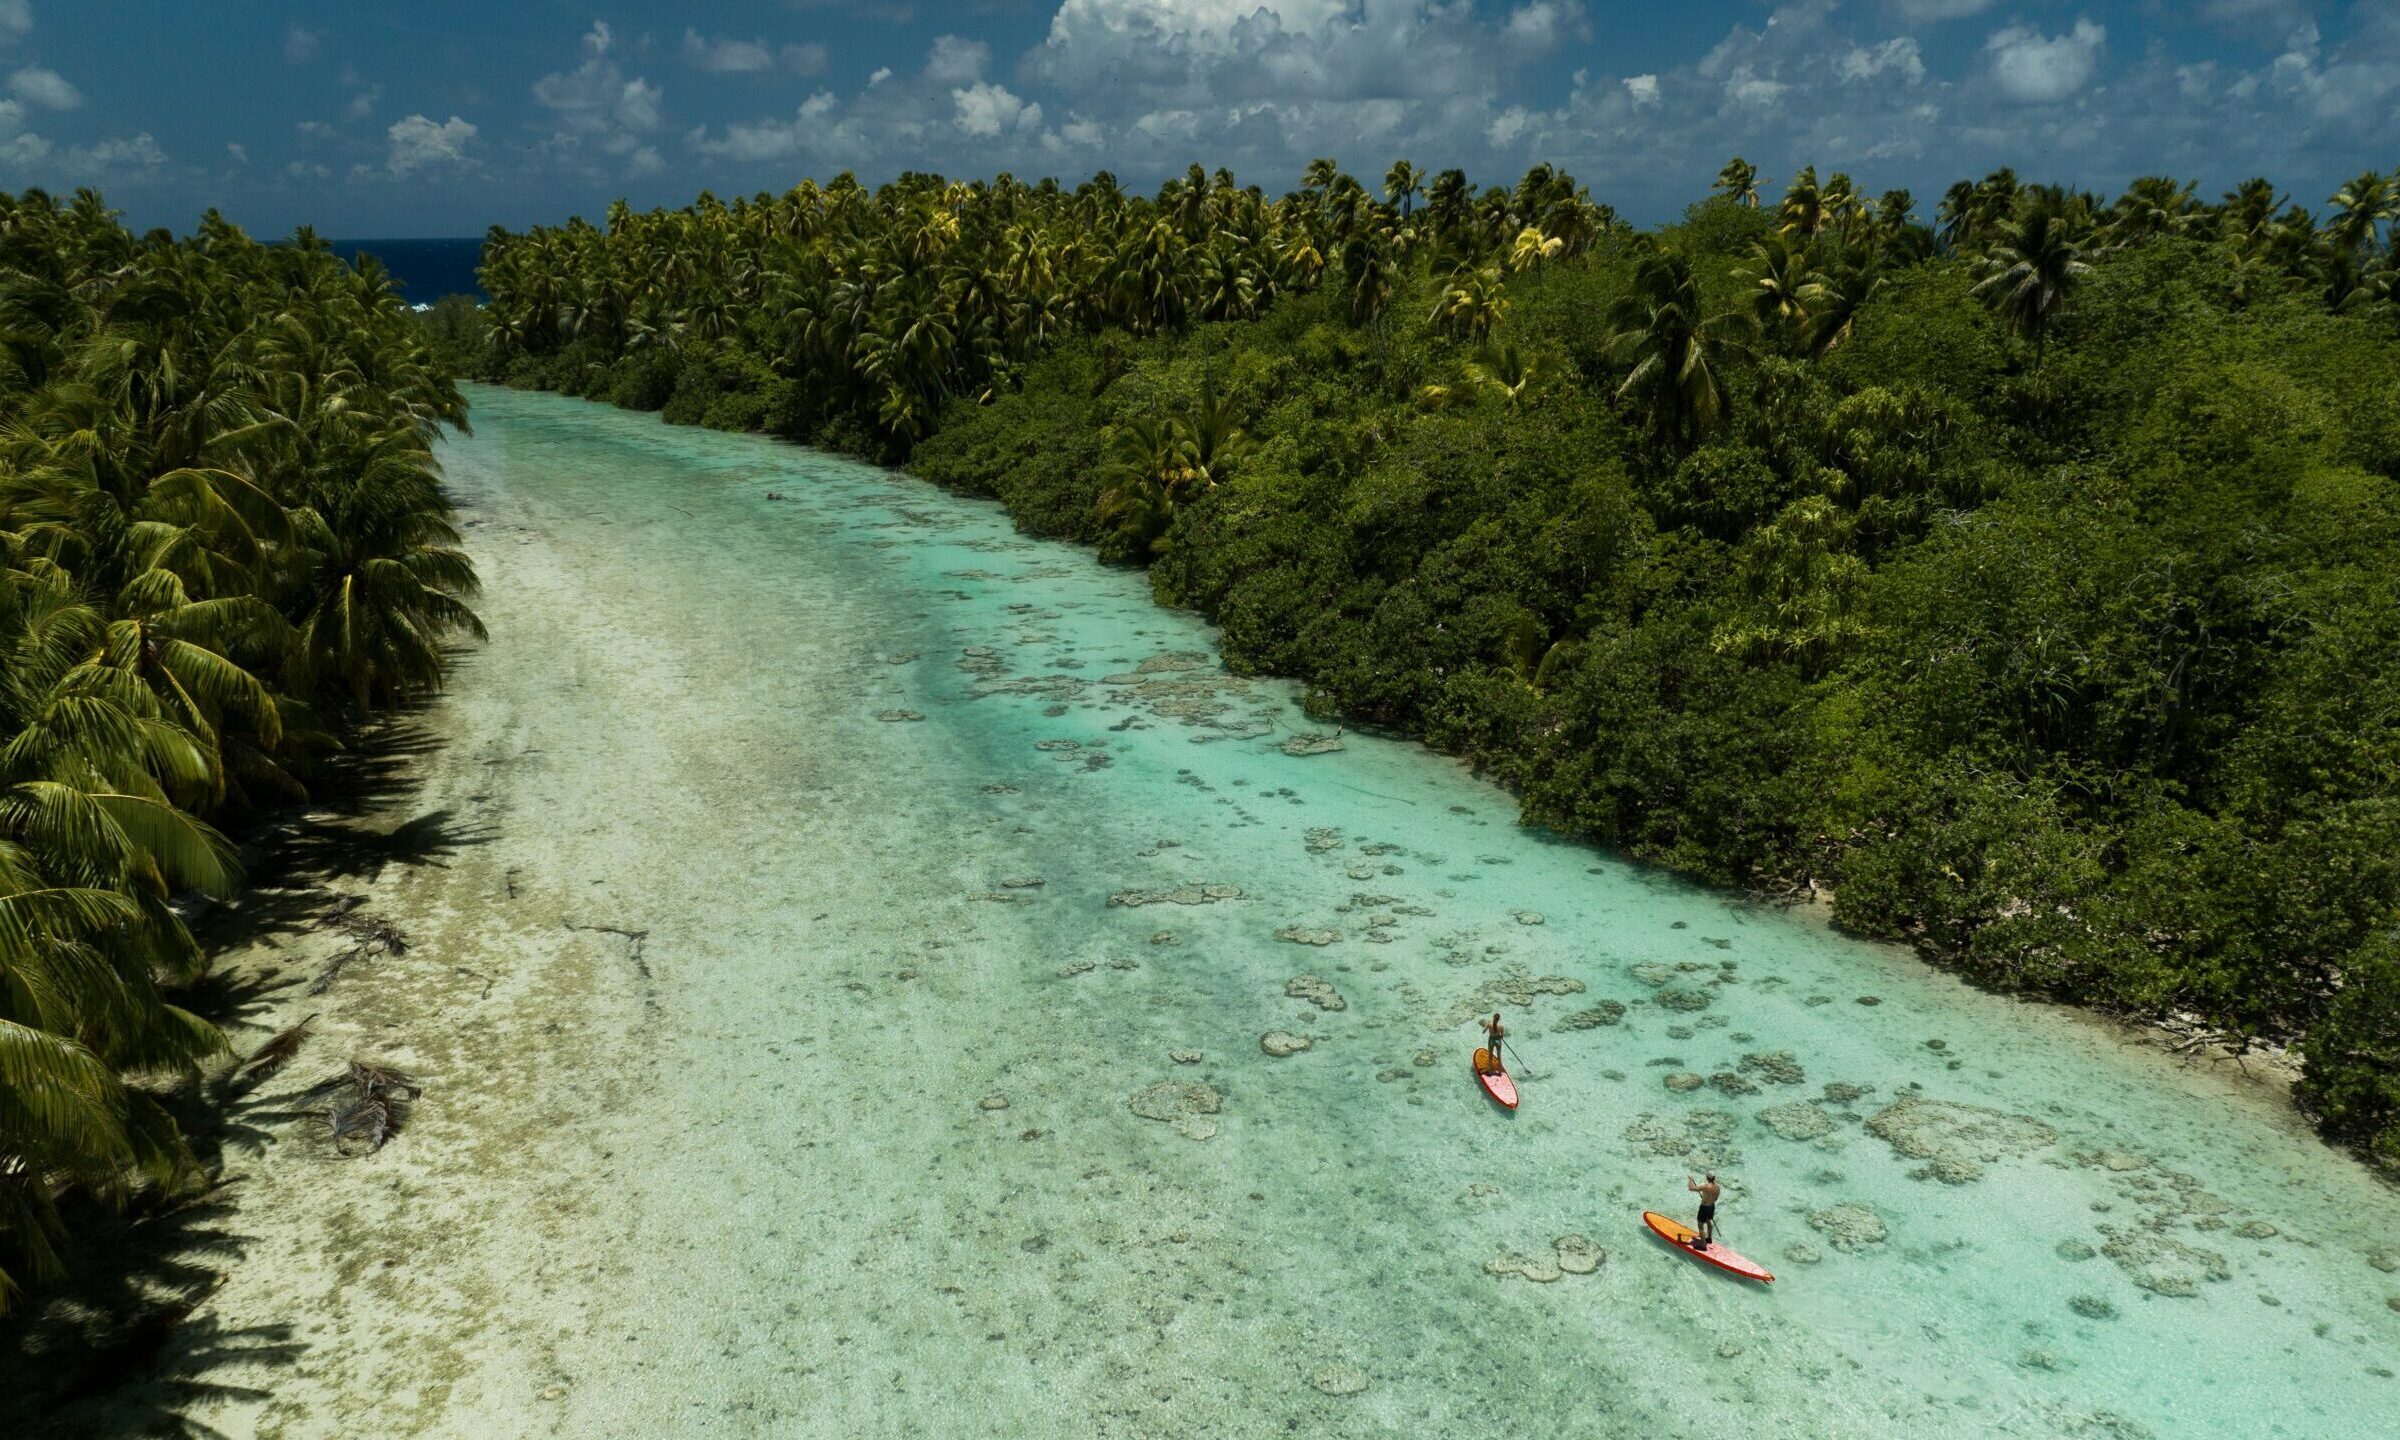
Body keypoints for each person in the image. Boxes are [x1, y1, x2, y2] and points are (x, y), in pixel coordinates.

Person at [1687, 1173, 1721, 1247]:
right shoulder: (1718, 1187)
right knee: (1708, 1221)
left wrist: (1690, 1179)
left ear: (1707, 1178)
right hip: (1712, 1206)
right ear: (1714, 1178)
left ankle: (1703, 1246)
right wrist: (1708, 1199)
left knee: (1700, 1226)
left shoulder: (1705, 1186)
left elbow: (1690, 1188)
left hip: (1704, 1208)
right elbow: (1716, 1198)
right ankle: (1709, 1238)